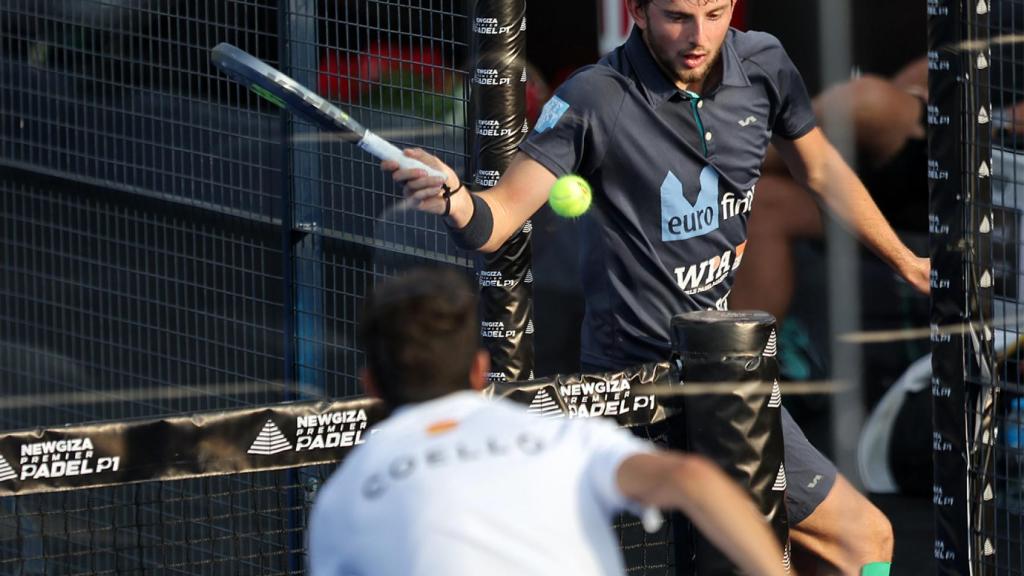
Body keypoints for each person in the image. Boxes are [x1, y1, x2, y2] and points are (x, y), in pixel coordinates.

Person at [385, 1, 929, 573]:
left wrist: (904, 261)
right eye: (677, 16)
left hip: (725, 371)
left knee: (823, 552)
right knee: (864, 541)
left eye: (715, 13)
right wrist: (454, 198)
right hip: (648, 386)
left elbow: (819, 170)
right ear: (637, 12)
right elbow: (495, 221)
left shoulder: (764, 63)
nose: (699, 36)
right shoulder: (593, 98)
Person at [307, 267, 786, 576]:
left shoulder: (340, 499)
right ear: (479, 371)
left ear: (370, 383)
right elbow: (692, 478)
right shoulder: (565, 436)